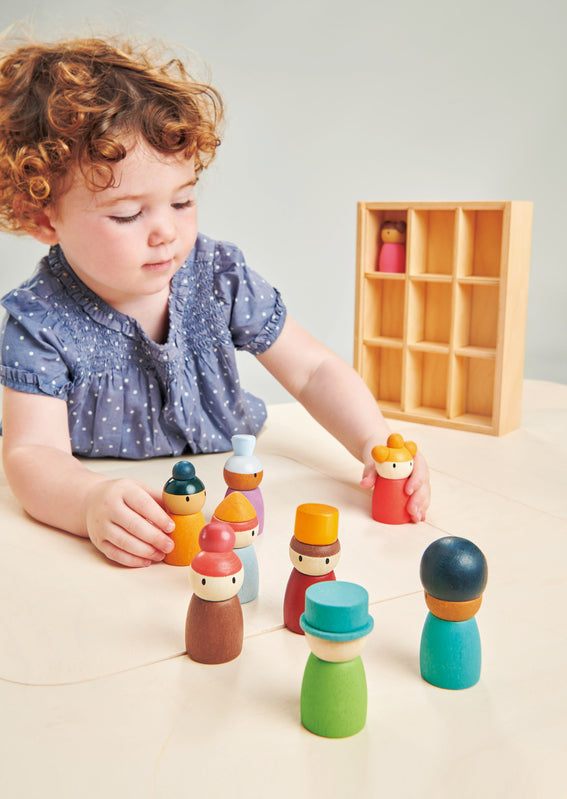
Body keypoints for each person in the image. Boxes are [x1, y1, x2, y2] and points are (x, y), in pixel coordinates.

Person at [0, 36, 430, 567]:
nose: (166, 232)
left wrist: (375, 441)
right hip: (111, 486)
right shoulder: (39, 320)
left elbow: (313, 371)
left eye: (182, 201)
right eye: (128, 214)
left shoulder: (217, 277)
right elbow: (32, 454)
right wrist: (87, 500)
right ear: (43, 218)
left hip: (228, 478)